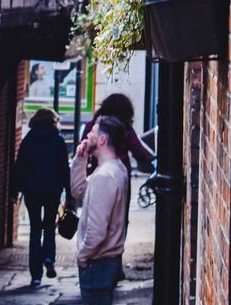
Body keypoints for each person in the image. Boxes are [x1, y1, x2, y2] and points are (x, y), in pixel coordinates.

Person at [70, 116, 130, 304]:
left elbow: (97, 230)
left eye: (93, 132)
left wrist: (82, 256)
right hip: (104, 263)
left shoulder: (105, 176)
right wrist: (81, 159)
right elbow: (78, 190)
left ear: (102, 139)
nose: (88, 135)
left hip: (98, 264)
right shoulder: (113, 169)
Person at [13, 107, 71, 288]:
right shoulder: (58, 141)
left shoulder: (28, 140)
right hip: (52, 191)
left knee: (35, 230)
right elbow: (64, 169)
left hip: (32, 191)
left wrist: (15, 192)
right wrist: (69, 194)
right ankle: (48, 257)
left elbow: (19, 168)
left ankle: (36, 275)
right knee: (49, 226)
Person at [80, 94, 154, 176]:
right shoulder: (125, 128)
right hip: (120, 174)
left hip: (96, 172)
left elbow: (83, 149)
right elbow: (140, 153)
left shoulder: (91, 125)